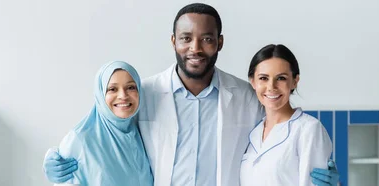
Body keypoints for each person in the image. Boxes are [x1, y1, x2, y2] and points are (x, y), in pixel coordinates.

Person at [43, 3, 339, 186]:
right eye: (186, 38)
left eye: (207, 39)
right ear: (174, 41)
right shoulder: (143, 93)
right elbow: (106, 132)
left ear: (220, 42)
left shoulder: (246, 95)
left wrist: (324, 174)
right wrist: (64, 162)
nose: (195, 48)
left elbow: (280, 139)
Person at [240, 44, 333, 185]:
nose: (271, 87)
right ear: (252, 82)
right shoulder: (254, 132)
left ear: (295, 81)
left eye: (281, 78)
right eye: (263, 78)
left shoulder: (308, 129)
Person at [49, 61, 153, 186]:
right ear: (100, 94)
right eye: (112, 89)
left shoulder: (141, 133)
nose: (123, 96)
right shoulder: (80, 140)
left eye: (131, 87)